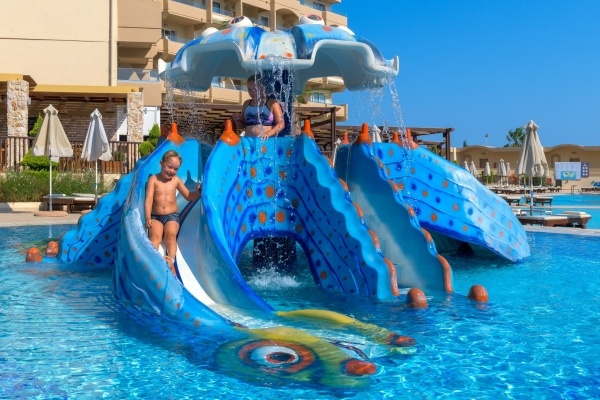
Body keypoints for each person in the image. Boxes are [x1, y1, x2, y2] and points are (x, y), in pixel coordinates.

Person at [145, 150, 201, 274]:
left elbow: (188, 196)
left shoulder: (176, 180)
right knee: (155, 237)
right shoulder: (153, 180)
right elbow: (148, 200)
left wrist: (197, 193)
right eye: (169, 167)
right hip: (155, 216)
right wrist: (148, 217)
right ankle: (152, 261)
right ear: (161, 163)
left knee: (170, 236)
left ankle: (171, 260)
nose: (172, 171)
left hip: (172, 216)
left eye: (176, 169)